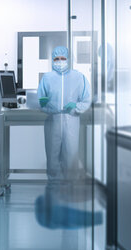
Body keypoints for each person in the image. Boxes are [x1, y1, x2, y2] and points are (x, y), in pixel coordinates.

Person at [37, 46, 91, 182]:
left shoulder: (79, 77)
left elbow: (87, 99)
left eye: (62, 58)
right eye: (56, 59)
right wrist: (49, 106)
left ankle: (70, 186)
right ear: (52, 61)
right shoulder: (47, 78)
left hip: (71, 120)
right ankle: (53, 184)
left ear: (68, 59)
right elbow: (40, 100)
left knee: (71, 154)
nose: (60, 61)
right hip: (53, 120)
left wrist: (76, 106)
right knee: (52, 154)